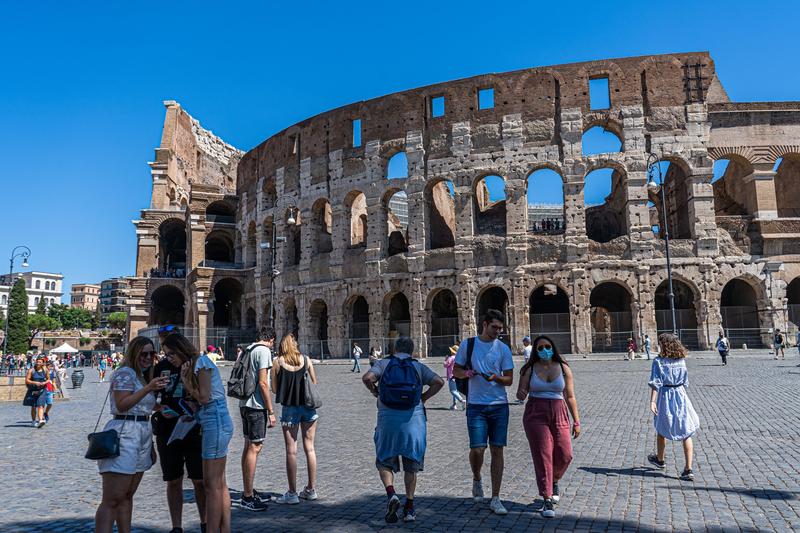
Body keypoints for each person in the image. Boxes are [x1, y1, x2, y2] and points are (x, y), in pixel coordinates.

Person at [362, 336, 444, 523]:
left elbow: (367, 377)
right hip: (413, 421)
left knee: (384, 461)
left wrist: (375, 391)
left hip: (387, 420)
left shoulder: (384, 364)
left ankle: (391, 494)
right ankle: (409, 507)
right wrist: (423, 397)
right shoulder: (417, 366)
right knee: (411, 465)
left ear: (394, 348)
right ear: (412, 350)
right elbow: (439, 382)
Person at [95, 336, 168, 533]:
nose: (147, 358)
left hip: (142, 433)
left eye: (151, 354)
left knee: (127, 495)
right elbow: (122, 404)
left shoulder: (142, 376)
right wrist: (149, 388)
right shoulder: (125, 374)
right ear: (134, 353)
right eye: (143, 354)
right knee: (112, 499)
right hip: (124, 433)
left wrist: (163, 408)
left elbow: (145, 408)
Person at [163, 333, 234, 533]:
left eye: (170, 354)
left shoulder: (200, 363)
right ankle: (224, 529)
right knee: (219, 482)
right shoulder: (194, 364)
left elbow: (204, 397)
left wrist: (186, 382)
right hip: (210, 420)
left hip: (216, 421)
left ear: (180, 350)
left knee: (212, 485)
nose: (170, 359)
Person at [452, 309, 514, 515]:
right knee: (478, 449)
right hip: (476, 405)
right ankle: (477, 477)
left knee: (497, 449)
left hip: (499, 405)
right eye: (494, 327)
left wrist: (495, 378)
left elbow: (509, 379)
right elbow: (456, 371)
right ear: (484, 324)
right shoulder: (468, 345)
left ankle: (496, 497)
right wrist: (468, 373)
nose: (498, 331)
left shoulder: (503, 349)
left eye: (500, 328)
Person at [515, 336, 580, 518]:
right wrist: (521, 392)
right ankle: (547, 498)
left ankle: (555, 479)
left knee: (566, 454)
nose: (545, 350)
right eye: (541, 348)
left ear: (553, 347)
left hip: (559, 411)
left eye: (548, 347)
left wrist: (576, 421)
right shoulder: (529, 369)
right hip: (536, 412)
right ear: (536, 350)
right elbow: (521, 394)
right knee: (543, 455)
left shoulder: (564, 368)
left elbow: (570, 396)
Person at [151, 343, 207, 533]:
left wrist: (196, 406)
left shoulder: (197, 366)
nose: (168, 357)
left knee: (199, 480)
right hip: (168, 429)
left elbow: (208, 396)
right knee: (173, 479)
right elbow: (151, 398)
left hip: (193, 427)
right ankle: (177, 526)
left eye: (171, 353)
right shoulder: (160, 368)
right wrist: (159, 408)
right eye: (166, 354)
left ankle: (205, 522)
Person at [271, 333, 319, 505]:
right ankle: (311, 489)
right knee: (310, 448)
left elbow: (275, 389)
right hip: (308, 407)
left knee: (291, 450)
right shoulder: (306, 360)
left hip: (290, 408)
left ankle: (292, 493)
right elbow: (314, 381)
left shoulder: (277, 362)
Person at [647, 333, 700, 482]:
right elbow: (685, 381)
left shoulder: (658, 361)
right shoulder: (681, 361)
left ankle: (660, 459)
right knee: (686, 431)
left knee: (661, 428)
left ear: (664, 345)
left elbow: (655, 383)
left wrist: (652, 401)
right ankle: (688, 469)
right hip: (680, 395)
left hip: (665, 395)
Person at [238, 327, 277, 512]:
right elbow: (263, 382)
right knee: (255, 448)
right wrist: (270, 410)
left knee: (248, 448)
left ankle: (248, 490)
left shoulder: (248, 349)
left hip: (244, 403)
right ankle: (247, 497)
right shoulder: (263, 351)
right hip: (256, 405)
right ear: (271, 340)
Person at [23, 356, 51, 428]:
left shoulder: (45, 370)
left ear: (42, 363)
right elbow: (27, 380)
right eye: (37, 362)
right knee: (33, 406)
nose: (38, 363)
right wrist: (35, 383)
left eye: (40, 362)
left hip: (42, 390)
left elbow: (48, 379)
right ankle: (33, 421)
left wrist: (44, 383)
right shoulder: (31, 370)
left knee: (40, 405)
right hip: (32, 390)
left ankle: (41, 420)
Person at [443, 344, 466, 411]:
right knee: (456, 391)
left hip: (452, 376)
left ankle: (462, 401)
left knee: (452, 391)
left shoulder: (451, 358)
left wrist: (446, 359)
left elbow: (446, 365)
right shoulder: (458, 358)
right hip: (458, 376)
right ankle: (454, 405)